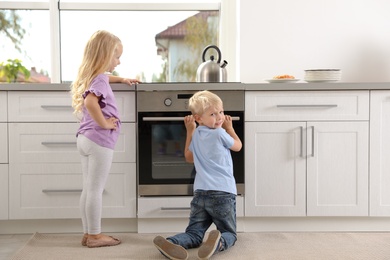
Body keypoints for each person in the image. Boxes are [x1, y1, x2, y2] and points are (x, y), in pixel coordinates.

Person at [153, 90, 242, 260]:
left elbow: (189, 157)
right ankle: (219, 242)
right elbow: (237, 146)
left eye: (221, 112)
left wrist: (190, 130)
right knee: (229, 232)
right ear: (199, 118)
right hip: (223, 192)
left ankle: (172, 241)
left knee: (194, 233)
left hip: (200, 194)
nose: (220, 117)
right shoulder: (219, 133)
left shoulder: (197, 135)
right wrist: (229, 128)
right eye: (213, 114)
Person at [70, 30, 139, 248]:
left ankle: (87, 232)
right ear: (104, 55)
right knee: (96, 190)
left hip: (85, 139)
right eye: (116, 56)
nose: (119, 60)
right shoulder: (99, 80)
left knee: (88, 189)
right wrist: (105, 123)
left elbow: (105, 79)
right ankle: (95, 235)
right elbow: (91, 102)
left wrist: (121, 78)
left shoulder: (94, 77)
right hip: (99, 140)